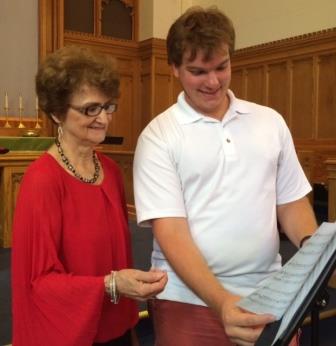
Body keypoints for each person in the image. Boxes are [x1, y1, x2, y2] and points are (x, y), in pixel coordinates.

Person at [133, 6, 318, 346]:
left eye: (222, 67)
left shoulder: (269, 121)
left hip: (267, 292)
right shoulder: (159, 136)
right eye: (198, 71)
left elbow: (290, 203)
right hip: (186, 297)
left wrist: (314, 251)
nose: (213, 81)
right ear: (174, 68)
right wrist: (221, 302)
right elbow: (171, 232)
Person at [11, 46, 168, 346]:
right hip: (69, 334)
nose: (104, 119)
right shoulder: (42, 180)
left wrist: (129, 324)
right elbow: (39, 284)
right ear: (57, 112)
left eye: (107, 106)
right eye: (90, 109)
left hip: (116, 331)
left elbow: (118, 258)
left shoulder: (109, 171)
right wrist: (111, 284)